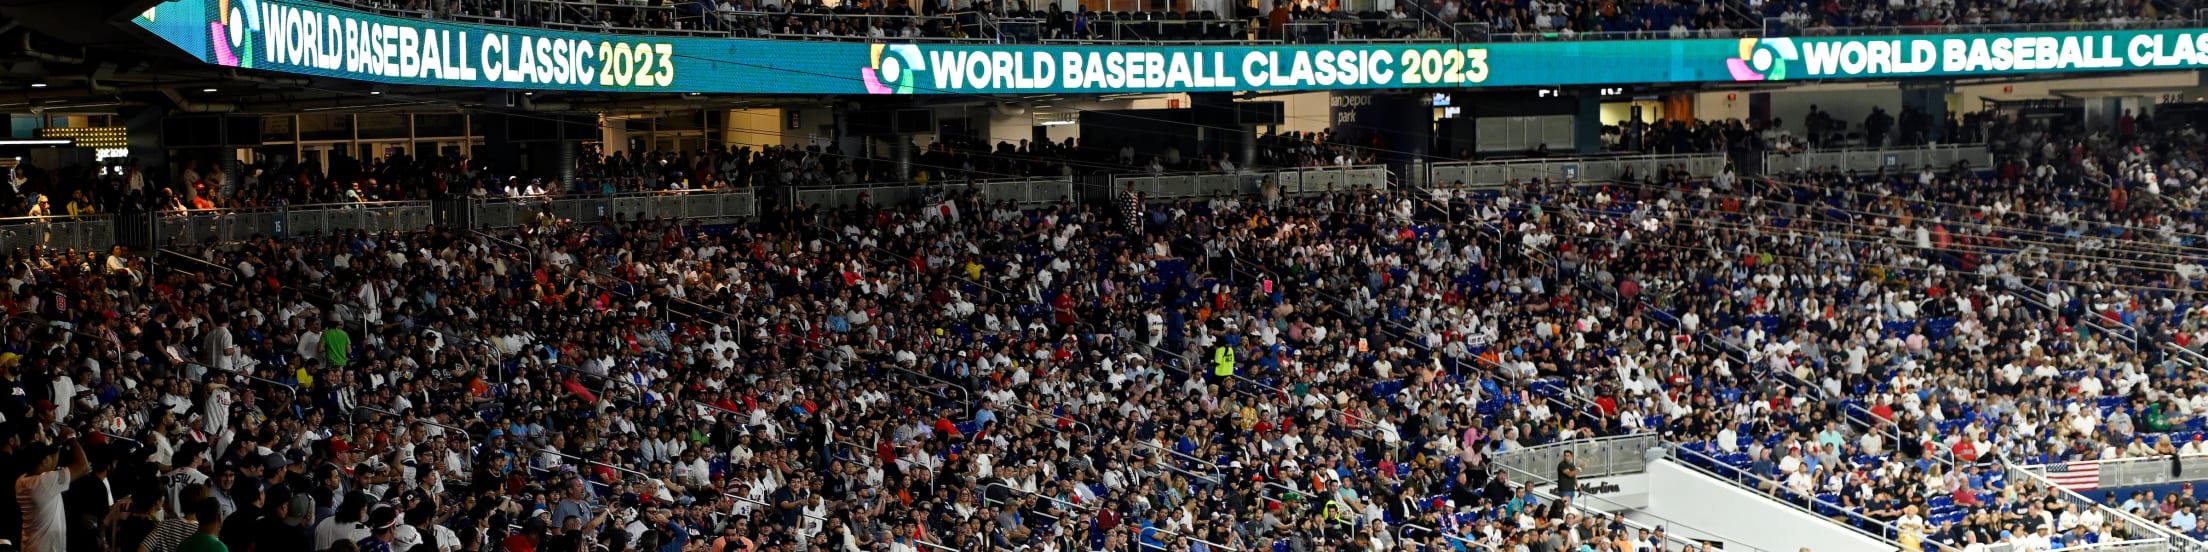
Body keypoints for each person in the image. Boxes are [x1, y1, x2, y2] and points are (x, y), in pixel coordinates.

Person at [17, 432, 88, 552]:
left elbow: (50, 468)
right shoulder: (44, 483)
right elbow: (83, 466)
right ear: (44, 461)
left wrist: (57, 444)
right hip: (46, 548)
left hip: (31, 544)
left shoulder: (22, 480)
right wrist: (71, 438)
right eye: (49, 456)